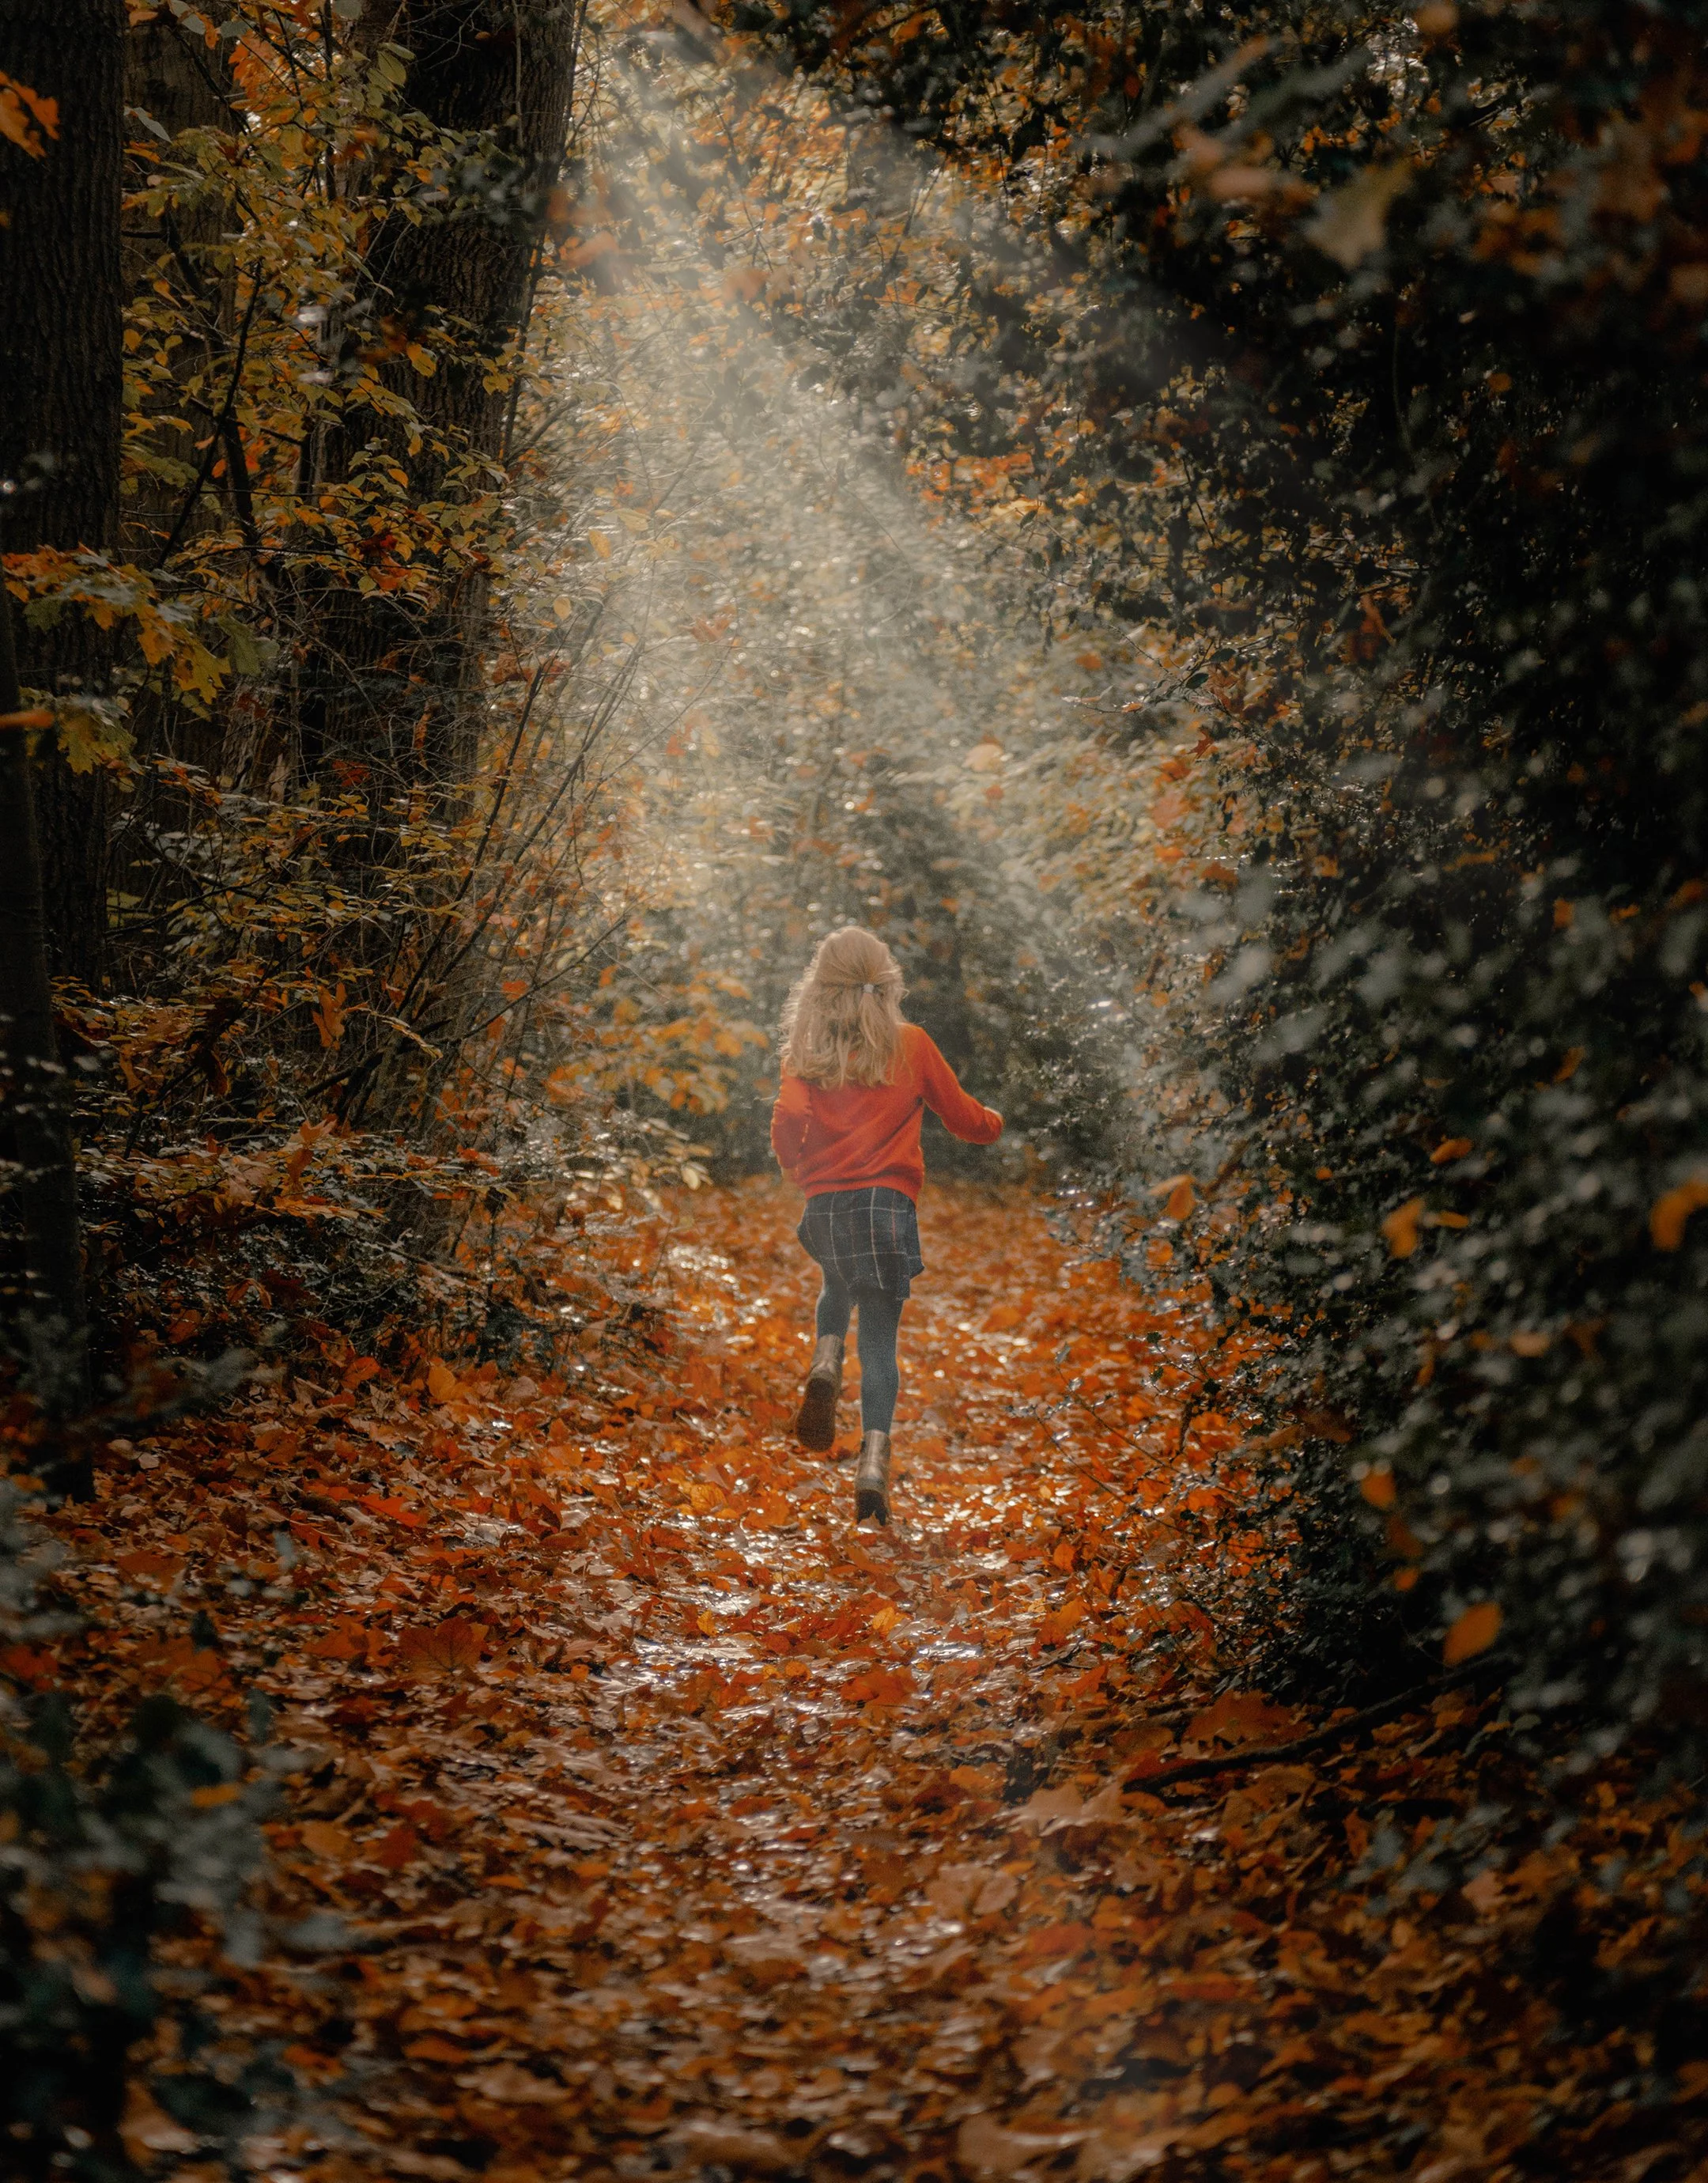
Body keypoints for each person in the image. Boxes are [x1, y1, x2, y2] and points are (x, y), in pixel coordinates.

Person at [769, 926, 1003, 1524]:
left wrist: (797, 1165)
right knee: (880, 1342)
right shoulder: (912, 1044)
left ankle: (824, 1358)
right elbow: (962, 1115)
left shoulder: (809, 1051)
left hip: (827, 1205)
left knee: (834, 1282)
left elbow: (791, 1114)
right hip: (888, 1206)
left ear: (821, 986)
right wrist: (992, 1124)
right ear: (885, 980)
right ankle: (873, 1463)